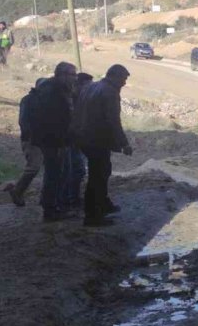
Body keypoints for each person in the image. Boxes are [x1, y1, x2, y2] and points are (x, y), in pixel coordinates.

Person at [73, 64, 133, 227]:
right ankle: (92, 216)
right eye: (123, 79)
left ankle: (104, 204)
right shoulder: (109, 92)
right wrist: (124, 143)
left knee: (102, 171)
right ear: (114, 76)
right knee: (98, 176)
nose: (124, 83)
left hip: (84, 137)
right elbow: (113, 120)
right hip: (97, 139)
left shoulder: (92, 86)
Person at [29, 62, 78, 222]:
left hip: (56, 141)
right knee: (55, 175)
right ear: (62, 74)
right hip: (53, 142)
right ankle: (51, 210)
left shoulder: (57, 89)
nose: (75, 78)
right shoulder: (52, 92)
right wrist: (59, 143)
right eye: (72, 75)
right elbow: (52, 121)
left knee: (58, 173)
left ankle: (52, 205)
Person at [3, 78, 48, 207]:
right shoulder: (28, 100)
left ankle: (41, 195)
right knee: (33, 167)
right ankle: (17, 190)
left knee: (44, 167)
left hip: (43, 139)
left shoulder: (42, 99)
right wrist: (30, 136)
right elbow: (23, 120)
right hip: (32, 139)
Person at [61, 73, 94, 212]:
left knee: (78, 170)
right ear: (79, 84)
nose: (89, 88)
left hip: (78, 140)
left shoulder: (80, 99)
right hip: (69, 141)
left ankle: (72, 197)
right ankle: (69, 199)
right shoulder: (69, 99)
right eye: (87, 85)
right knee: (73, 170)